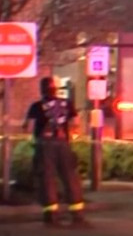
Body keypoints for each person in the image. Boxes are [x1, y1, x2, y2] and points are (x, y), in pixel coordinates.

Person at [22, 77, 86, 226]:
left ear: (42, 89)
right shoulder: (67, 104)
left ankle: (51, 215)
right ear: (56, 89)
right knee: (70, 177)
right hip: (64, 145)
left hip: (45, 146)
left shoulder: (37, 107)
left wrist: (28, 132)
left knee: (47, 178)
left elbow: (29, 127)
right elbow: (76, 124)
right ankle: (77, 214)